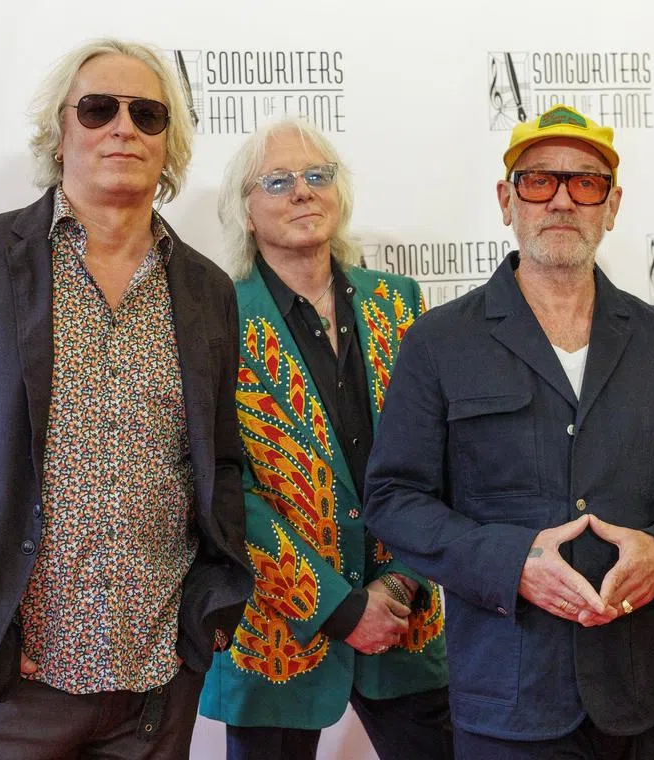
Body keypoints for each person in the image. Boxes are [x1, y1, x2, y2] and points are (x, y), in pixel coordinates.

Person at [0, 38, 254, 759]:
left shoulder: (206, 289)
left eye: (147, 114)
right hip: (5, 686)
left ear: (168, 144)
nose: (123, 128)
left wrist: (208, 616)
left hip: (154, 686)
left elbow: (222, 463)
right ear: (60, 133)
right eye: (98, 109)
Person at [363, 104, 654, 760]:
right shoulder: (440, 342)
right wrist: (512, 566)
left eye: (585, 182)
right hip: (506, 700)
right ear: (507, 200)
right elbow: (393, 499)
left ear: (611, 205)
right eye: (539, 180)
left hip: (631, 697)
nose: (562, 198)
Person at [199, 118, 450, 760]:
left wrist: (397, 585)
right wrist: (339, 610)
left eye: (318, 176)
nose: (302, 192)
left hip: (406, 618)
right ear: (246, 211)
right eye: (277, 181)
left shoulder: (400, 303)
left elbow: (438, 456)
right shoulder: (218, 318)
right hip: (278, 633)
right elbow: (230, 490)